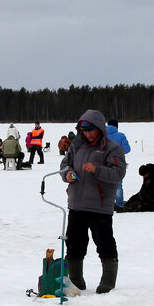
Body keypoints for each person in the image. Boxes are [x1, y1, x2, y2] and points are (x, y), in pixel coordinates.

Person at [60, 110, 127, 293]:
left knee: (104, 243)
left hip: (100, 206)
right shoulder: (76, 146)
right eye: (84, 130)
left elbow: (118, 173)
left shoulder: (112, 148)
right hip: (77, 204)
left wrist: (97, 170)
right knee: (74, 244)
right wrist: (68, 174)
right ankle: (75, 280)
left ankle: (108, 281)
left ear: (99, 128)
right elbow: (65, 165)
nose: (87, 133)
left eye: (90, 130)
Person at [106, 119, 131, 208]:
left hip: (103, 162)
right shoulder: (121, 136)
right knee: (118, 184)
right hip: (118, 163)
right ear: (117, 126)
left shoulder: (101, 135)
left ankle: (106, 204)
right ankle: (119, 204)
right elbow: (127, 149)